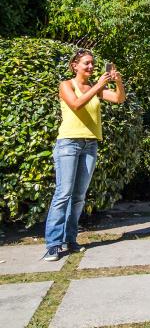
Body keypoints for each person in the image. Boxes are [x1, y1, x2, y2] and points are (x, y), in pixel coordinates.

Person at [43, 49, 126, 261]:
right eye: (86, 63)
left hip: (90, 145)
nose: (91, 67)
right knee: (63, 194)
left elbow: (118, 99)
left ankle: (70, 240)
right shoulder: (66, 85)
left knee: (79, 196)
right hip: (68, 143)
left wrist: (118, 82)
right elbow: (76, 104)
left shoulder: (93, 88)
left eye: (92, 63)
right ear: (75, 65)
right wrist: (99, 86)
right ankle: (53, 244)